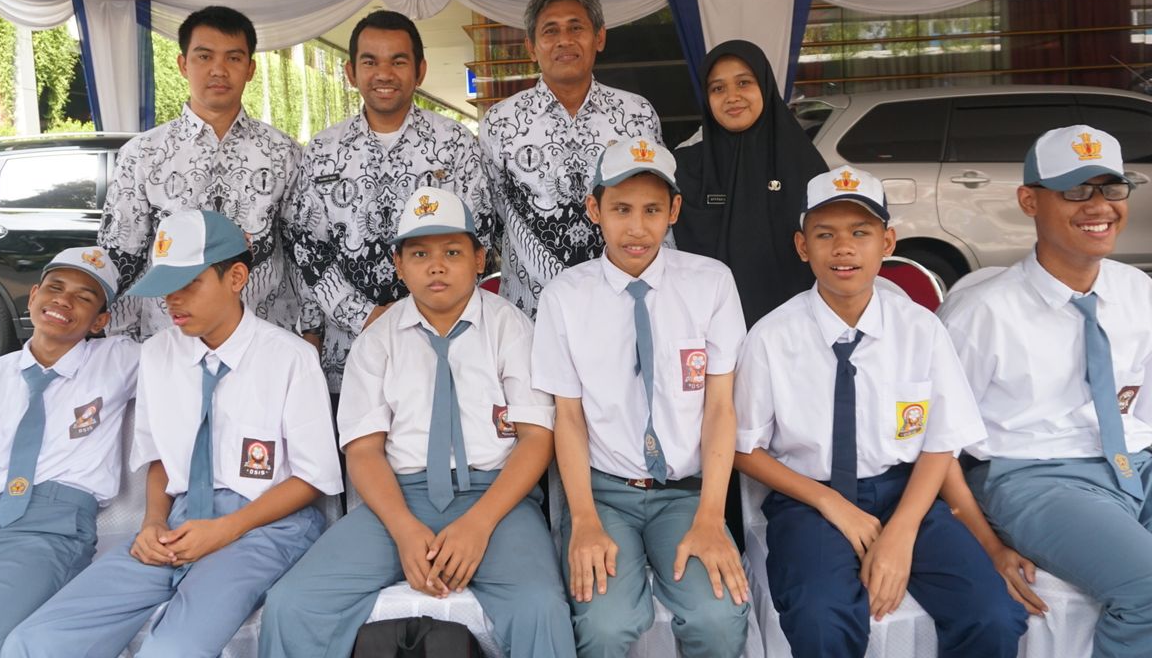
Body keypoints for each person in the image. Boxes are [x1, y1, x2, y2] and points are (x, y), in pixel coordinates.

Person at [3, 210, 341, 658]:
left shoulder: (289, 357)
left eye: (189, 284)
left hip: (267, 525)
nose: (172, 302)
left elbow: (313, 478)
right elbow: (162, 458)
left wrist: (225, 530)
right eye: (166, 288)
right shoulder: (159, 354)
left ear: (236, 276)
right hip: (178, 522)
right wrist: (152, 523)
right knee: (35, 641)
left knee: (175, 647)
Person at [259, 186, 574, 658]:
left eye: (452, 251)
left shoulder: (511, 327)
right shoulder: (378, 339)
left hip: (498, 500)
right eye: (420, 253)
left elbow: (535, 438)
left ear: (480, 258)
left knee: (540, 607)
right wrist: (405, 530)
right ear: (398, 264)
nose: (437, 265)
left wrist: (478, 524)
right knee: (292, 603)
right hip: (397, 501)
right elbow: (363, 451)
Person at [733, 165, 1028, 658]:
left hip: (904, 492)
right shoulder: (771, 337)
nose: (843, 248)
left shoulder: (920, 329)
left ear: (887, 242)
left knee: (993, 615)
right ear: (802, 246)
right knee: (821, 619)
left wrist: (901, 534)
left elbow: (940, 442)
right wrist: (831, 504)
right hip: (811, 501)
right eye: (824, 235)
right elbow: (744, 448)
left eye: (860, 233)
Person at [939, 126, 1152, 658]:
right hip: (1034, 478)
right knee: (1147, 589)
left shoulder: (1137, 291)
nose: (1098, 206)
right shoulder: (981, 313)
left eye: (1111, 187)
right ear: (1029, 200)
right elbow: (935, 442)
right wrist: (985, 542)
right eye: (1077, 190)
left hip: (1133, 463)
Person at [533, 138, 750, 657]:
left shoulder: (711, 283)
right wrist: (582, 519)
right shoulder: (565, 296)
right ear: (594, 210)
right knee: (605, 625)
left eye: (653, 209)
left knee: (718, 618)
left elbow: (720, 408)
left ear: (674, 210)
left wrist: (712, 517)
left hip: (686, 493)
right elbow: (568, 417)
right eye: (621, 209)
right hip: (606, 495)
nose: (636, 227)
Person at [287, 9, 491, 397]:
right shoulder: (322, 151)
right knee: (359, 454)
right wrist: (361, 317)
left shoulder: (455, 144)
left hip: (444, 344)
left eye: (398, 61)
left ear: (420, 71)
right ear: (351, 73)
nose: (384, 74)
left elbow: (478, 237)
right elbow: (308, 248)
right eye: (370, 62)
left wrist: (421, 316)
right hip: (348, 352)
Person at [0, 248, 137, 658]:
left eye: (84, 298)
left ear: (100, 322)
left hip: (49, 532)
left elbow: (195, 352)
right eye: (54, 288)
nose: (63, 301)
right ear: (33, 295)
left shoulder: (119, 360)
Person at [100, 5, 301, 340]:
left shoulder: (284, 153)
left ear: (250, 69)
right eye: (204, 57)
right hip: (168, 341)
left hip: (262, 339)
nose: (218, 70)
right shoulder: (143, 153)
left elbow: (300, 253)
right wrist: (120, 342)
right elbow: (121, 255)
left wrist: (309, 329)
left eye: (233, 58)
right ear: (182, 64)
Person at [479, 0, 664, 318]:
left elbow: (657, 210)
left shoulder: (636, 115)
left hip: (623, 307)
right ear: (531, 47)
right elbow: (490, 219)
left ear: (600, 38)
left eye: (576, 27)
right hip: (531, 314)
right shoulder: (500, 123)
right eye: (550, 31)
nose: (564, 40)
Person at [674, 39, 827, 328]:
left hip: (792, 330)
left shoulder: (802, 163)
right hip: (705, 329)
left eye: (744, 83)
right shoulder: (687, 167)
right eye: (718, 88)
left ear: (765, 87)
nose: (732, 96)